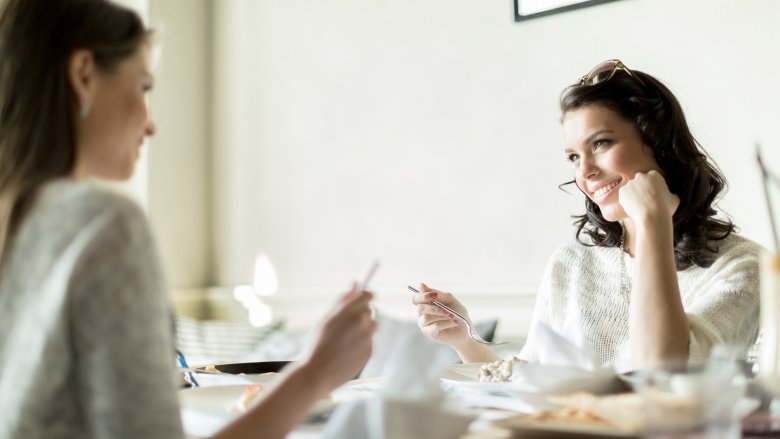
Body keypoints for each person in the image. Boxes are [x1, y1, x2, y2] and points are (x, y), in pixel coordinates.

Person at [0, 1, 376, 438]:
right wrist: (315, 374)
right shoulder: (103, 226)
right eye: (143, 87)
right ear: (83, 74)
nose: (151, 123)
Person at [413, 59, 762, 373]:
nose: (586, 172)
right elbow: (528, 380)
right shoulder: (572, 261)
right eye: (573, 157)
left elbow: (662, 374)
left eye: (600, 144)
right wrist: (464, 340)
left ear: (658, 142)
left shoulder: (743, 266)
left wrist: (653, 220)